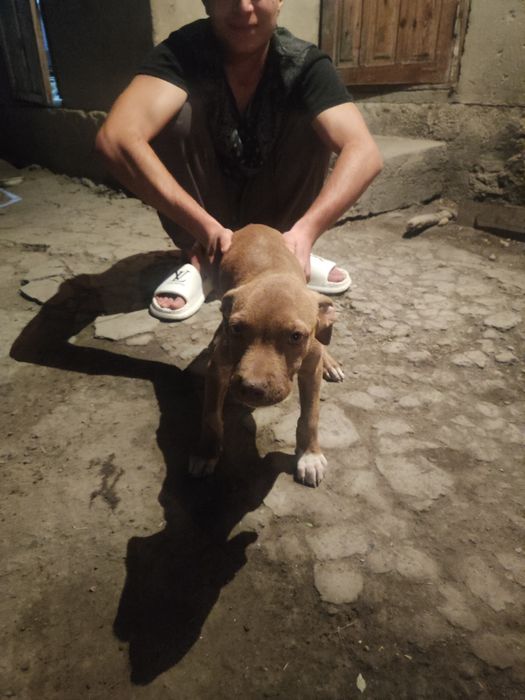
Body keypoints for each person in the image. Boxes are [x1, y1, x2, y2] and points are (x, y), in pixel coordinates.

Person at [95, 0, 383, 321]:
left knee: (316, 119)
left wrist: (306, 232)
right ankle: (202, 261)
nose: (244, 7)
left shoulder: (303, 63)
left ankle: (287, 254)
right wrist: (205, 230)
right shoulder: (181, 54)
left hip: (279, 221)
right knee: (174, 117)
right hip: (205, 218)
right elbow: (117, 139)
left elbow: (364, 152)